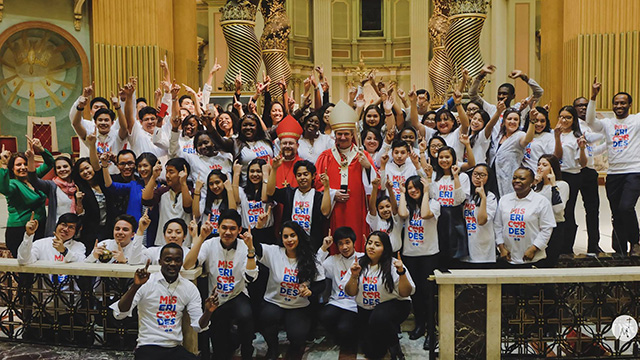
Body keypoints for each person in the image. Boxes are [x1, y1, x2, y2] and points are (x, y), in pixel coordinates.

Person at [110, 244, 218, 360]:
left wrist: (208, 312)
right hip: (148, 346)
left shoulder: (189, 287)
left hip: (174, 348)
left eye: (177, 260)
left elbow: (198, 326)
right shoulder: (146, 282)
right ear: (160, 261)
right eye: (168, 260)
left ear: (181, 263)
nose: (172, 264)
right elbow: (120, 313)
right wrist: (135, 287)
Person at [184, 210, 257, 360]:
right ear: (217, 228)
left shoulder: (245, 246)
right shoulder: (209, 244)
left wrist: (251, 250)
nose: (228, 232)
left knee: (246, 316)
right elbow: (188, 265)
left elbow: (250, 277)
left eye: (232, 228)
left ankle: (247, 351)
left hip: (237, 294)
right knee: (219, 349)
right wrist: (201, 237)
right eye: (224, 227)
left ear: (239, 230)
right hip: (216, 297)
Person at [253, 219, 326, 360]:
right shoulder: (274, 252)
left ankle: (294, 345)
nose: (289, 240)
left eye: (292, 235)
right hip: (274, 302)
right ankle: (272, 348)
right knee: (266, 317)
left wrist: (311, 292)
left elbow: (321, 284)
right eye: (285, 236)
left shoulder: (311, 258)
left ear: (299, 236)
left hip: (299, 305)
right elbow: (255, 246)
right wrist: (258, 228)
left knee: (298, 338)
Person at [586, 78, 640, 256]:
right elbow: (590, 121)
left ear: (629, 105)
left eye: (623, 103)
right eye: (616, 103)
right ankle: (619, 249)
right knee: (616, 212)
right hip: (614, 173)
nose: (619, 105)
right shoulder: (608, 123)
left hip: (634, 171)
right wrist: (593, 97)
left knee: (626, 207)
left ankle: (636, 242)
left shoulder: (636, 121)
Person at [315, 100, 377, 252]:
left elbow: (376, 184)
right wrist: (332, 193)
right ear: (335, 135)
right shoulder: (326, 157)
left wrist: (368, 167)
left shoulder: (363, 156)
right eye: (339, 134)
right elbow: (317, 183)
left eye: (346, 134)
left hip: (357, 208)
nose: (342, 137)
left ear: (352, 135)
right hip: (335, 209)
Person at [344, 231, 415, 360]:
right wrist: (354, 276)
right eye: (369, 243)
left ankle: (395, 346)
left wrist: (401, 272)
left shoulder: (394, 264)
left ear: (385, 248)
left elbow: (405, 292)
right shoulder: (358, 263)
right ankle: (388, 333)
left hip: (395, 304)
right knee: (372, 353)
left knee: (379, 316)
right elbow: (350, 292)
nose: (371, 247)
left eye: (377, 244)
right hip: (366, 309)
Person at [397, 176, 440, 341]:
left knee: (428, 294)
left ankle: (431, 330)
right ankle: (420, 325)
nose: (413, 190)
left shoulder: (435, 204)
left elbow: (425, 214)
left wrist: (427, 192)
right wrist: (401, 193)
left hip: (429, 255)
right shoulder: (407, 206)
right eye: (409, 188)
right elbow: (401, 214)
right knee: (415, 294)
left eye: (416, 187)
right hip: (410, 255)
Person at [266, 159, 334, 249]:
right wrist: (274, 169)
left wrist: (326, 187)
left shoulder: (318, 196)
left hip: (311, 244)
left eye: (306, 174)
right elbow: (270, 192)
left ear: (313, 176)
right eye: (299, 175)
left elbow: (325, 212)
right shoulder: (289, 192)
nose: (302, 177)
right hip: (289, 242)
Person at [495, 167, 556, 266]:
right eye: (514, 178)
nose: (517, 181)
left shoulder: (541, 201)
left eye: (522, 178)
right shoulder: (504, 200)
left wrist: (534, 249)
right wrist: (501, 248)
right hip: (508, 258)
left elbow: (547, 228)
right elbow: (497, 226)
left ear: (532, 182)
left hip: (532, 258)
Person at [316, 227, 363, 354]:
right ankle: (338, 336)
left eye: (347, 242)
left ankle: (351, 338)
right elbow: (315, 267)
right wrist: (324, 248)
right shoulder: (333, 260)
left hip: (355, 303)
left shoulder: (363, 258)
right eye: (340, 244)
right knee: (324, 316)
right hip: (337, 301)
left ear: (354, 242)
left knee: (344, 328)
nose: (344, 247)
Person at [0, 139, 49, 256]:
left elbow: (50, 163)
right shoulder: (13, 184)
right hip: (20, 230)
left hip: (39, 227)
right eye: (18, 165)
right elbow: (4, 189)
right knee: (25, 269)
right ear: (12, 168)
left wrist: (41, 149)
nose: (23, 167)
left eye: (25, 164)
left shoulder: (34, 178)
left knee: (39, 265)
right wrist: (3, 164)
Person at [553, 105, 590, 252]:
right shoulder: (553, 134)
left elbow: (583, 163)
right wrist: (556, 137)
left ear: (574, 120)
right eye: (562, 117)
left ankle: (567, 247)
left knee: (568, 211)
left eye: (568, 117)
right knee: (556, 210)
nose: (564, 120)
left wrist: (581, 148)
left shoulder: (577, 136)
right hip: (556, 175)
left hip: (572, 176)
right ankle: (556, 244)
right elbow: (556, 157)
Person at [572, 97, 604, 253]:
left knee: (593, 210)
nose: (583, 108)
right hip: (572, 171)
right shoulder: (572, 125)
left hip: (589, 171)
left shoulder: (594, 125)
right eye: (579, 106)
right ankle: (566, 245)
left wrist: (607, 145)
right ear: (574, 108)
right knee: (568, 209)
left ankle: (593, 245)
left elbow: (593, 150)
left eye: (585, 105)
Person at [26, 141, 76, 237]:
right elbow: (33, 180)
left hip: (74, 230)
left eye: (65, 166)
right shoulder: (52, 186)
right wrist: (31, 160)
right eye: (58, 168)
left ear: (71, 168)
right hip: (56, 230)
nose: (62, 169)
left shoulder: (77, 185)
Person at [142, 158, 193, 247]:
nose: (167, 175)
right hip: (162, 242)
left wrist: (183, 183)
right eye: (166, 172)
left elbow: (188, 208)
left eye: (171, 172)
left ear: (182, 173)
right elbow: (146, 201)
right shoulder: (162, 191)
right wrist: (154, 177)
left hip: (185, 243)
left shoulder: (192, 191)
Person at [533, 154, 569, 265]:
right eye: (538, 164)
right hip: (537, 227)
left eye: (544, 165)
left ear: (552, 168)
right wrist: (533, 183)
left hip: (555, 227)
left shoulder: (561, 185)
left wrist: (553, 185)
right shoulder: (536, 187)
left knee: (550, 261)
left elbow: (558, 209)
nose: (540, 167)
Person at [492, 108, 536, 197]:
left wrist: (532, 121)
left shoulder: (520, 135)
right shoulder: (498, 136)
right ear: (504, 121)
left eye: (516, 119)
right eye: (509, 119)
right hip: (494, 176)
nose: (512, 121)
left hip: (509, 177)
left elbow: (528, 139)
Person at [460, 164, 498, 266]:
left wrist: (483, 198)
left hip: (483, 248)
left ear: (488, 177)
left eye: (482, 175)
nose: (477, 177)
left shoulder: (490, 197)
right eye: (475, 174)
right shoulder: (467, 194)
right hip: (466, 247)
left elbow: (481, 221)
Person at [103, 152, 158, 222]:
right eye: (139, 166)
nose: (142, 169)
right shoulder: (134, 185)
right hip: (134, 229)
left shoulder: (161, 187)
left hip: (153, 228)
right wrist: (104, 165)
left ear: (153, 167)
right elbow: (111, 186)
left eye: (145, 165)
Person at [18, 212, 85, 265]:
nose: (65, 229)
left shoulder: (79, 246)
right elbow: (23, 261)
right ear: (57, 225)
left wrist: (64, 251)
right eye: (63, 224)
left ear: (76, 232)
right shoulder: (41, 243)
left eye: (71, 227)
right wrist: (28, 235)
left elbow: (82, 265)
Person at [193, 169, 236, 237]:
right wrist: (197, 190)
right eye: (211, 184)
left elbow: (233, 214)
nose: (214, 186)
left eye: (217, 182)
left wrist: (229, 189)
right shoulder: (205, 200)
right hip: (207, 239)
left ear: (224, 182)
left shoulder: (231, 200)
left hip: (224, 238)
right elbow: (195, 215)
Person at [233, 158, 272, 230]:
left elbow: (264, 199)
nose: (255, 174)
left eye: (259, 171)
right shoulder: (242, 191)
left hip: (266, 232)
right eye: (252, 171)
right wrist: (236, 174)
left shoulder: (270, 189)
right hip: (247, 231)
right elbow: (236, 200)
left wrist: (266, 173)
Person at [367, 176, 402, 252]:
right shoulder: (376, 221)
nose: (385, 210)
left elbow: (395, 208)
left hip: (395, 254)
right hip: (379, 255)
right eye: (381, 208)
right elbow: (372, 208)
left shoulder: (396, 220)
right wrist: (375, 188)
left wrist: (390, 189)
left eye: (388, 206)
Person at [273, 115, 304, 188]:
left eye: (291, 143)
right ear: (280, 145)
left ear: (297, 145)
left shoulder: (303, 165)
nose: (287, 146)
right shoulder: (272, 164)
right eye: (284, 143)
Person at [522, 106, 554, 171]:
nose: (539, 124)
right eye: (536, 120)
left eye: (542, 121)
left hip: (540, 174)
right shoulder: (522, 135)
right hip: (525, 175)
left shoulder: (549, 137)